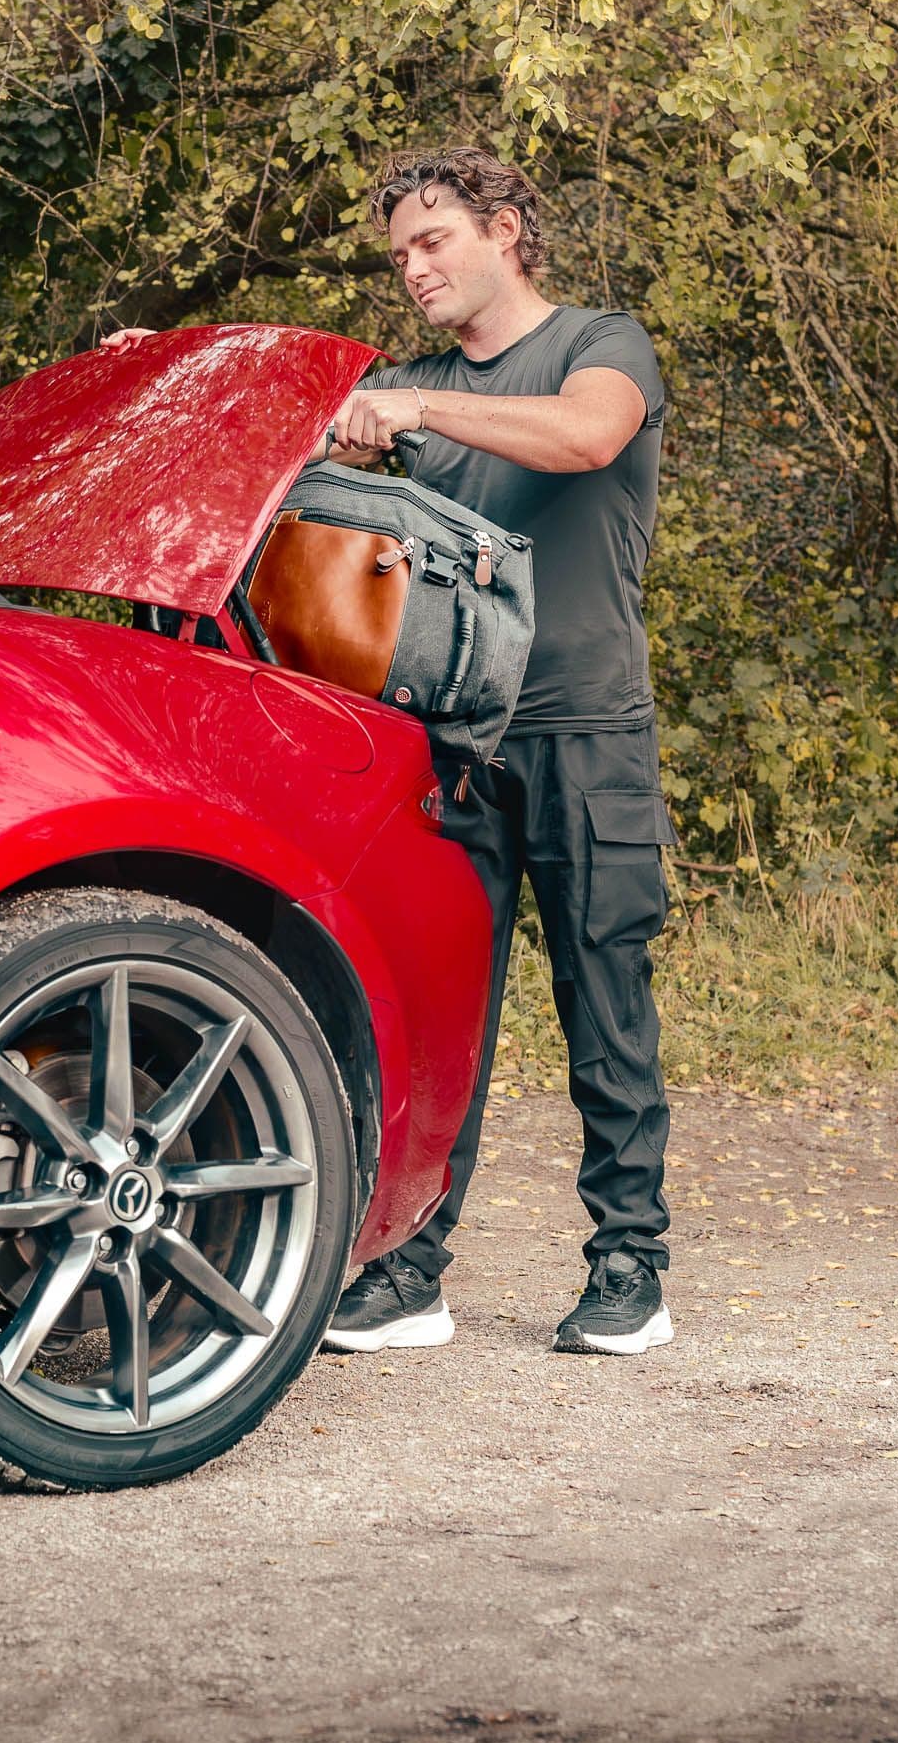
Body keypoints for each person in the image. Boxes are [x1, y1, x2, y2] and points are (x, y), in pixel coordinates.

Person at [101, 144, 675, 1359]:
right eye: (400, 253)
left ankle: (629, 1266)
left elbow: (581, 439)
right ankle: (407, 1269)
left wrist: (413, 410)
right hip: (444, 747)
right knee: (428, 1010)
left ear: (506, 227)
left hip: (584, 736)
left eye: (433, 242)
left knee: (603, 1000)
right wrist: (154, 394)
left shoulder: (597, 347)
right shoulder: (399, 384)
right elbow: (258, 467)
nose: (412, 269)